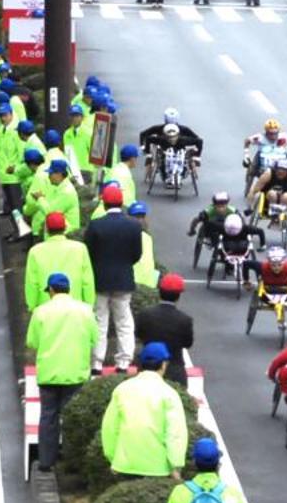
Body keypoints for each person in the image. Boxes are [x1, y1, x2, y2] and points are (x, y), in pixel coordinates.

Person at [26, 273, 97, 472]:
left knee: (48, 416)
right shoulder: (85, 311)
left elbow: (32, 342)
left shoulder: (41, 312)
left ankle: (46, 461)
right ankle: (72, 461)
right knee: (73, 418)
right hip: (76, 372)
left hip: (49, 372)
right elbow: (94, 338)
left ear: (51, 290)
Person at [100, 341, 188, 479]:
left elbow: (110, 428)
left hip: (125, 464)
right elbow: (175, 433)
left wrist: (113, 458)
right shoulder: (169, 394)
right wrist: (175, 465)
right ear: (164, 364)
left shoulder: (122, 389)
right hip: (159, 468)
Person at [84, 185, 144, 370]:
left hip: (100, 279)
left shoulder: (95, 225)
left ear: (104, 202)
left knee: (99, 321)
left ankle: (96, 362)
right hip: (123, 279)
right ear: (121, 202)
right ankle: (124, 361)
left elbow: (89, 253)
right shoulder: (134, 226)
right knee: (124, 321)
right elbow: (137, 254)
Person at [135, 273, 197, 391]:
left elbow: (139, 335)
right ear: (178, 296)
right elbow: (188, 343)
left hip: (147, 368)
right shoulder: (185, 320)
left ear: (160, 292)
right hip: (174, 368)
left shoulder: (145, 314)